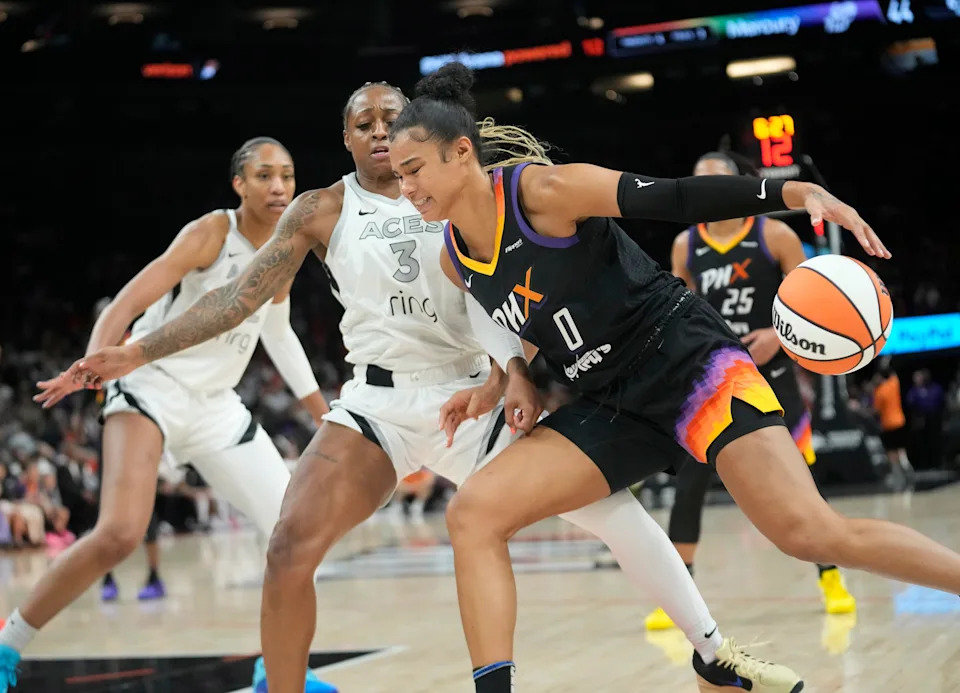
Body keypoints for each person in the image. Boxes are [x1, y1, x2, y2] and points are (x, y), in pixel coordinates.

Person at [64, 82, 804, 693]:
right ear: (346, 138)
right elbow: (237, 299)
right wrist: (137, 350)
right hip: (377, 403)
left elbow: (514, 292)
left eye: (391, 119)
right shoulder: (320, 209)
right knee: (289, 544)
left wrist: (512, 370)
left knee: (614, 515)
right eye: (364, 122)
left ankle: (714, 652)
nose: (380, 132)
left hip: (470, 392)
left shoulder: (458, 191)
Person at [383, 62, 960, 693]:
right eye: (398, 175)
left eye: (413, 170)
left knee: (808, 532)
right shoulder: (454, 256)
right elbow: (517, 320)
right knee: (473, 513)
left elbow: (676, 198)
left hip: (687, 364)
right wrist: (510, 375)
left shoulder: (544, 193)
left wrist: (793, 194)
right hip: (609, 400)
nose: (405, 187)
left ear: (461, 153)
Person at [1, 138, 334, 693]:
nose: (279, 187)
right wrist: (93, 365)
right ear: (239, 184)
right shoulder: (211, 233)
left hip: (217, 406)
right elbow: (127, 302)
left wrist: (322, 412)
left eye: (287, 175)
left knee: (298, 535)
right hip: (152, 386)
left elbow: (278, 333)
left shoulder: (285, 247)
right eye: (264, 175)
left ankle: (278, 671)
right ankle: (7, 644)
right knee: (119, 534)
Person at [643, 151, 856, 632]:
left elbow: (813, 303)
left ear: (738, 184)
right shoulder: (685, 244)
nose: (705, 191)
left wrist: (778, 336)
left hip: (772, 375)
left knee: (799, 480)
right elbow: (680, 311)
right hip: (712, 376)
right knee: (690, 483)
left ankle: (830, 576)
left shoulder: (774, 235)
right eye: (697, 182)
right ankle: (680, 593)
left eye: (715, 181)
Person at [872, 357, 913, 486]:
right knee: (901, 450)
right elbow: (894, 375)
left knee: (891, 452)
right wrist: (886, 361)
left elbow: (876, 410)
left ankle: (898, 477)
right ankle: (907, 468)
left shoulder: (879, 392)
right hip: (900, 421)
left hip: (888, 425)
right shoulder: (893, 384)